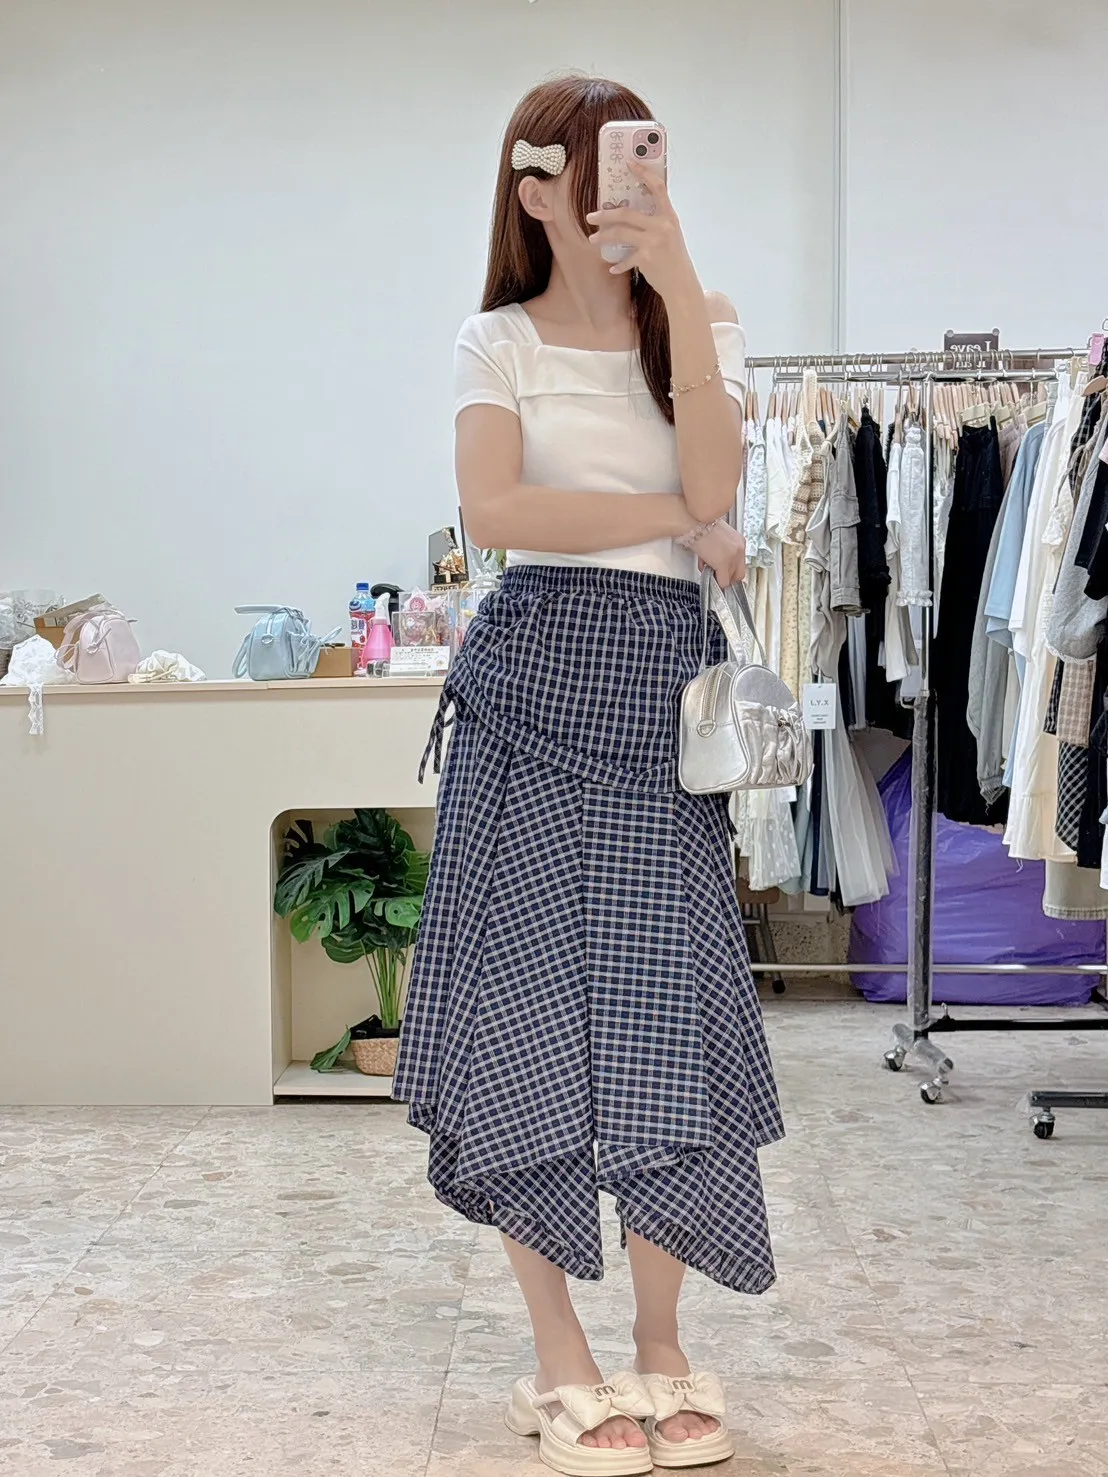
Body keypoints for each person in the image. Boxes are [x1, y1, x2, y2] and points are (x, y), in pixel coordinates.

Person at [393, 74, 782, 1475]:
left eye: (642, 159)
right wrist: (673, 515)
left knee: (668, 1013)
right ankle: (560, 1356)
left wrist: (670, 275)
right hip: (530, 686)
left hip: (663, 697)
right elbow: (496, 510)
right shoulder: (494, 338)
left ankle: (662, 1347)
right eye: (593, 161)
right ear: (535, 185)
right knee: (526, 1019)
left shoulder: (704, 318)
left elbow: (722, 482)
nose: (625, 182)